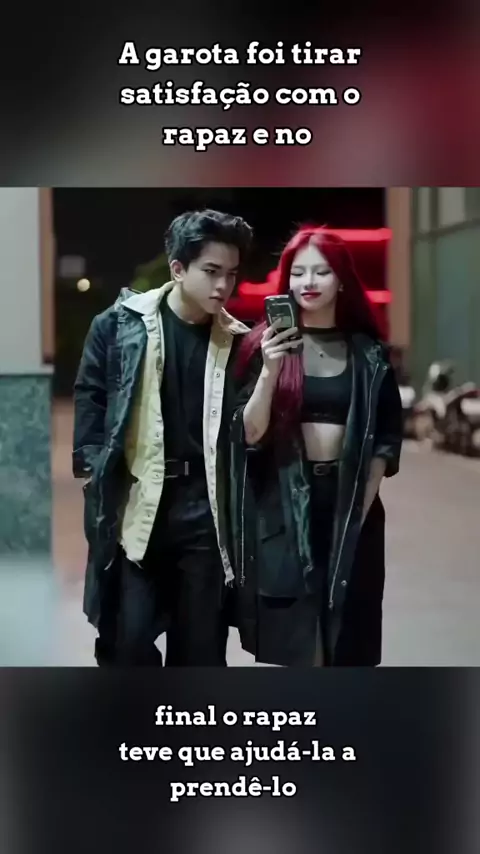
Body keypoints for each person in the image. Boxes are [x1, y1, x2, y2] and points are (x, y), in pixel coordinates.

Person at [73, 209, 253, 666]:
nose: (223, 286)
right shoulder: (120, 326)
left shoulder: (238, 341)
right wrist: (93, 468)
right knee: (126, 642)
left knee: (200, 654)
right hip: (139, 504)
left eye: (231, 274)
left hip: (205, 514)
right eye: (211, 271)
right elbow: (91, 394)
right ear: (178, 269)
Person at [230, 226, 403, 667]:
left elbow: (385, 440)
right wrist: (269, 370)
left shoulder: (368, 354)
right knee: (296, 641)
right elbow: (249, 433)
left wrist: (357, 509)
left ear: (341, 280)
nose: (308, 282)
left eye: (321, 272)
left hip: (350, 503)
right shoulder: (263, 345)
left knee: (349, 633)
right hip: (286, 504)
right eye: (298, 272)